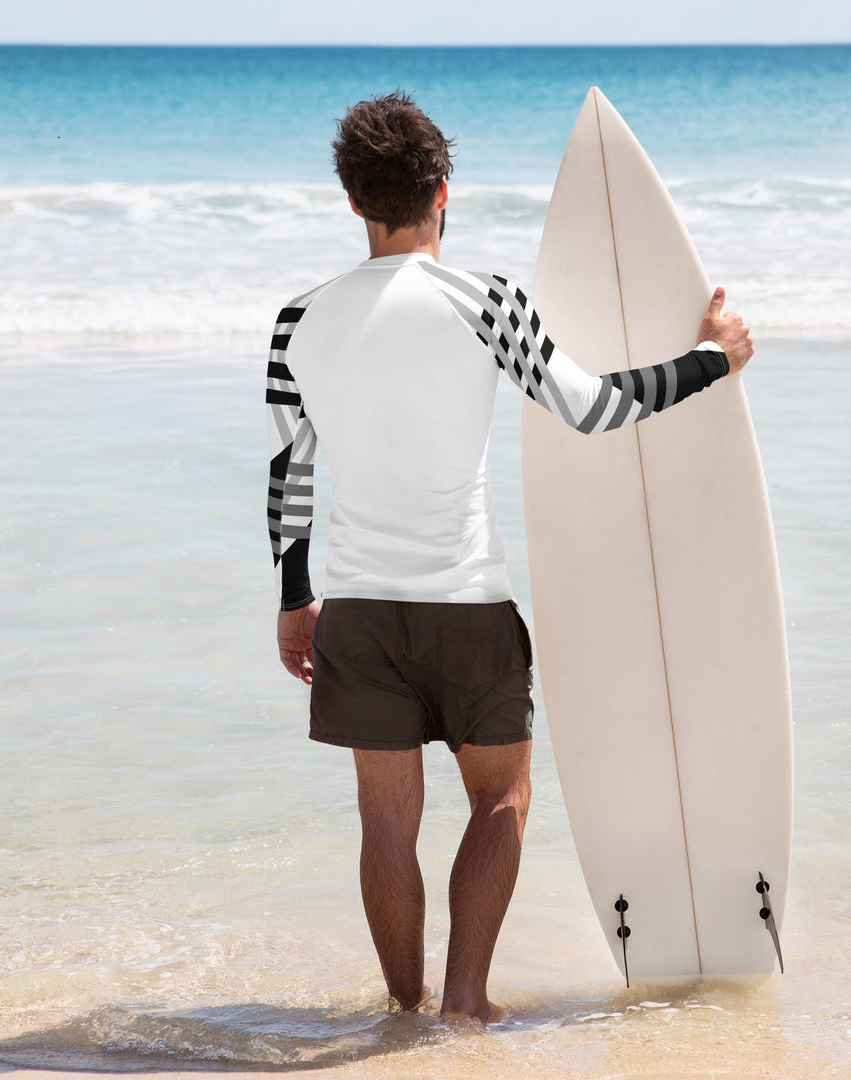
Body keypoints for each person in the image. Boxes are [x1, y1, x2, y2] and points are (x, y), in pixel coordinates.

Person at [266, 91, 753, 1023]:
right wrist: (710, 360)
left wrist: (295, 600)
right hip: (468, 608)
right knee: (502, 804)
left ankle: (402, 1011)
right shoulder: (485, 300)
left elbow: (291, 472)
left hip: (359, 612)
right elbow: (592, 408)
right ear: (443, 189)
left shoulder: (299, 320)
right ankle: (465, 1004)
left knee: (385, 822)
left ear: (352, 200)